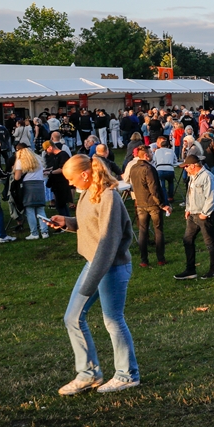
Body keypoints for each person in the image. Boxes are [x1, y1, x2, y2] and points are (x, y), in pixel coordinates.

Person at [46, 154, 139, 395]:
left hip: (112, 267)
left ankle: (127, 375)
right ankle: (89, 374)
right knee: (72, 318)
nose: (70, 183)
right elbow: (89, 223)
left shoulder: (109, 196)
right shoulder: (89, 192)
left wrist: (91, 282)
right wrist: (67, 222)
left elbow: (108, 240)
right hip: (94, 264)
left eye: (71, 178)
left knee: (113, 320)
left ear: (85, 175)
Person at [174, 154, 214, 280]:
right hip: (192, 214)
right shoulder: (192, 177)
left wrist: (204, 214)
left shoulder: (207, 177)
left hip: (204, 215)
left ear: (193, 166)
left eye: (186, 166)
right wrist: (188, 209)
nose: (185, 169)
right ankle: (190, 270)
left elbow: (211, 197)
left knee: (209, 242)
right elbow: (189, 194)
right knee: (187, 240)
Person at [129, 145, 170, 268]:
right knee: (158, 230)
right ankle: (160, 258)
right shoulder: (149, 169)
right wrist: (162, 204)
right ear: (146, 155)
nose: (152, 155)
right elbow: (154, 189)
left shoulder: (133, 168)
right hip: (152, 204)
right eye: (151, 153)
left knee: (142, 231)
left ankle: (144, 260)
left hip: (140, 203)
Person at [12, 146, 49, 240]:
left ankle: (34, 233)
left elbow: (17, 177)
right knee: (40, 209)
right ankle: (44, 232)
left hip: (28, 186)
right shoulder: (38, 159)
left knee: (30, 210)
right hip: (40, 184)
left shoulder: (21, 161)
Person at [152, 137, 177, 202]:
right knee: (171, 183)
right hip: (170, 169)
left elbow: (154, 160)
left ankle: (164, 198)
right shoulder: (171, 151)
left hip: (160, 169)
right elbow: (175, 160)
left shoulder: (157, 151)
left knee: (162, 185)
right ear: (168, 145)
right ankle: (170, 197)